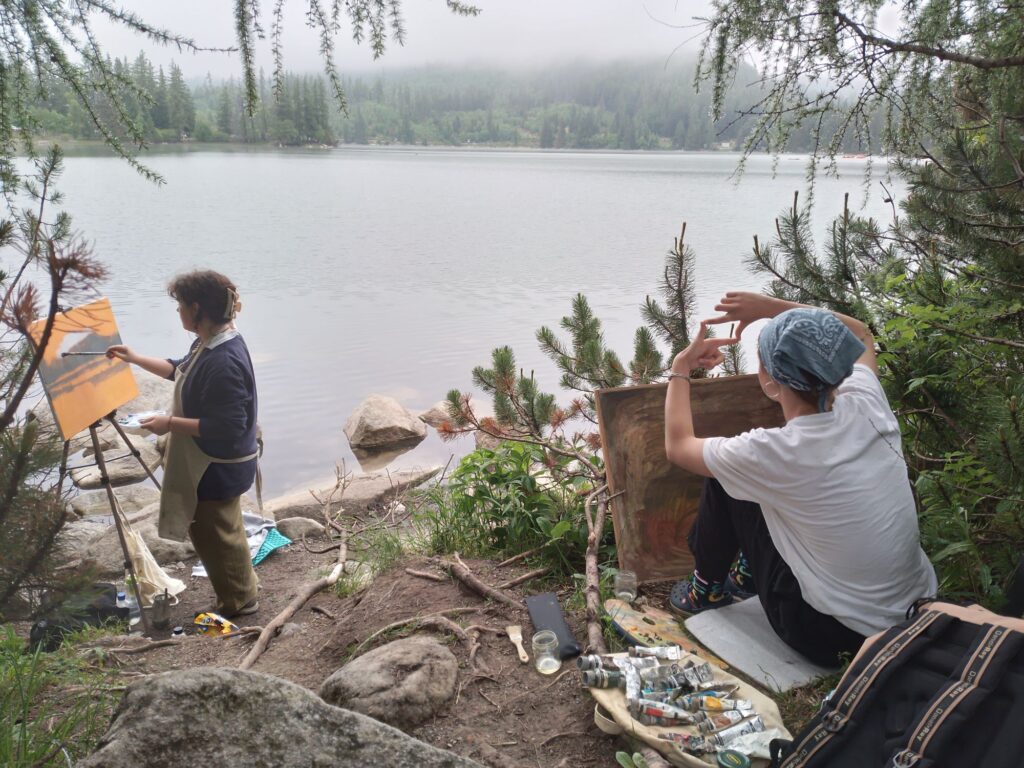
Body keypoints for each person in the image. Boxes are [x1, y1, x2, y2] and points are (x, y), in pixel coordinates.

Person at [663, 291, 937, 665]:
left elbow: (678, 446)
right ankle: (745, 579)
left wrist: (680, 368)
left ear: (768, 379)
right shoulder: (866, 400)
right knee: (752, 477)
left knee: (724, 477)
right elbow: (861, 333)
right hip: (913, 610)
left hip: (836, 635)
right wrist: (770, 307)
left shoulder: (776, 452)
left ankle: (705, 590)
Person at [107, 269, 261, 619]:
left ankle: (240, 602)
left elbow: (228, 427)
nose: (177, 312)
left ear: (196, 309)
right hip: (215, 461)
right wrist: (134, 358)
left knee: (215, 536)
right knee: (225, 531)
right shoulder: (212, 341)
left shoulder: (223, 361)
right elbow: (179, 368)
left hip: (218, 465)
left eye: (180, 306)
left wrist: (169, 424)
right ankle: (244, 589)